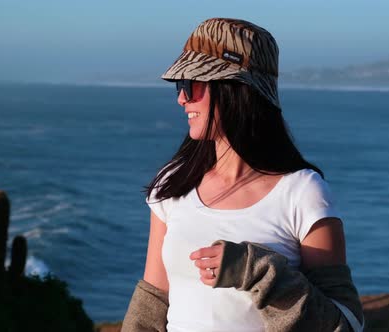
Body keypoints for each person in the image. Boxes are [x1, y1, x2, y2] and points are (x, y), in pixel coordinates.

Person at [122, 18, 364, 332]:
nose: (182, 99)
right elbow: (151, 304)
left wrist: (259, 270)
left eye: (192, 86)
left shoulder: (303, 192)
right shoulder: (172, 183)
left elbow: (345, 326)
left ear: (237, 90)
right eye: (180, 87)